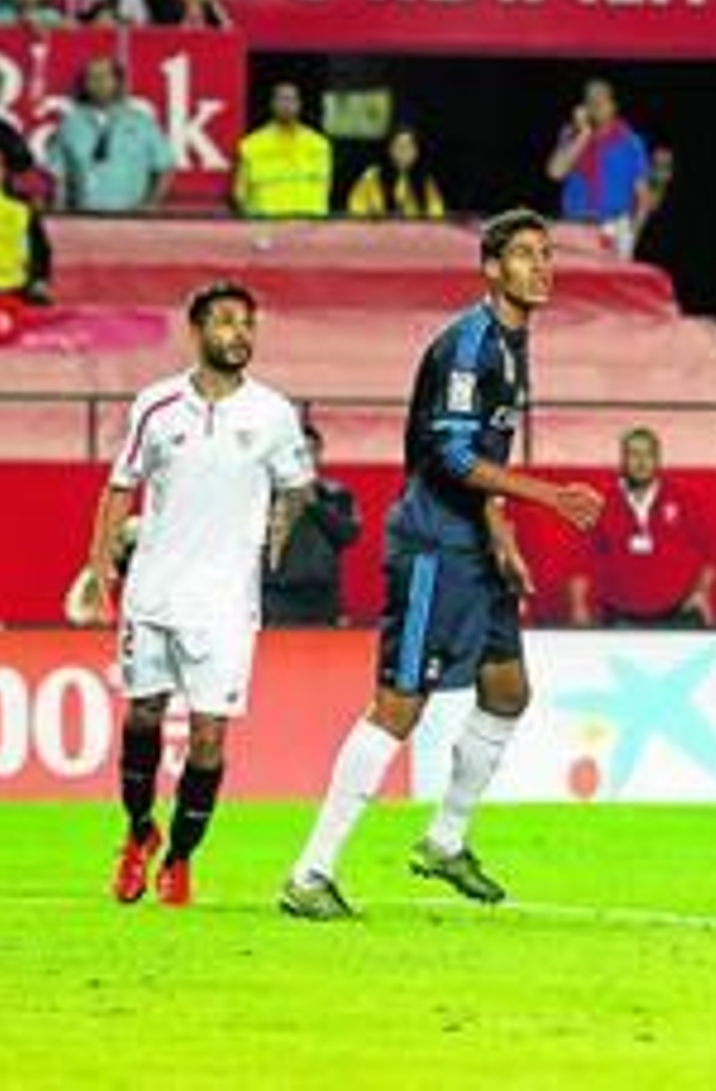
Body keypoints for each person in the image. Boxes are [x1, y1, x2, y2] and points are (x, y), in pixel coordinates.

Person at [282, 211, 603, 920]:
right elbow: (452, 455)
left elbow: (484, 460)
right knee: (399, 707)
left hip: (473, 547)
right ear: (490, 268)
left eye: (547, 254)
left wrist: (502, 533)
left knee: (508, 689)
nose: (541, 266)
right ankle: (310, 872)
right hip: (431, 546)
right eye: (523, 255)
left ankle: (445, 840)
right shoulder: (470, 347)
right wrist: (549, 496)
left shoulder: (514, 345)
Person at [86, 281, 314, 907]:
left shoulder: (272, 413)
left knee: (210, 737)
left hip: (223, 605)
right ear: (196, 332)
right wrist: (100, 561)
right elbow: (120, 485)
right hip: (153, 592)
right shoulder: (156, 406)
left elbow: (298, 484)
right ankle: (138, 834)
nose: (239, 334)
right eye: (225, 322)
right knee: (142, 716)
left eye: (248, 323)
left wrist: (278, 534)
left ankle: (181, 858)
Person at [567, 427, 716, 627]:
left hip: (678, 614)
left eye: (648, 454)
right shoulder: (601, 502)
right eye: (634, 454)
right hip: (621, 616)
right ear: (623, 459)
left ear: (658, 459)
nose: (641, 462)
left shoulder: (684, 498)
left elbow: (710, 554)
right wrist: (578, 606)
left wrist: (702, 593)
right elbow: (580, 563)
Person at [261, 423, 361, 627]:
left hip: (323, 599)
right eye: (297, 453)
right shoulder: (263, 496)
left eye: (310, 452)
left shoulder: (336, 494)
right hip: (277, 599)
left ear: (319, 455)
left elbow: (348, 535)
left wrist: (314, 503)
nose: (304, 460)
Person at [49, 56, 175, 212]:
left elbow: (165, 168)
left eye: (105, 76)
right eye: (92, 77)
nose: (99, 82)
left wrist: (150, 206)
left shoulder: (142, 124)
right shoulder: (70, 125)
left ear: (118, 82)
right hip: (83, 219)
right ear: (84, 85)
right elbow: (59, 177)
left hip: (130, 219)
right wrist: (59, 214)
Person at [545, 78, 652, 258]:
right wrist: (583, 134)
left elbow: (643, 198)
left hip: (612, 228)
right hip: (574, 226)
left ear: (613, 105)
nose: (594, 106)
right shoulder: (572, 134)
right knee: (574, 284)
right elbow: (555, 173)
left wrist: (630, 236)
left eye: (600, 100)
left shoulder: (631, 142)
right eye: (589, 100)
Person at [233, 81, 333, 218]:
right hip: (267, 228)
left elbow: (326, 189)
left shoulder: (319, 144)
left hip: (308, 228)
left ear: (300, 105)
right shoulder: (251, 144)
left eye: (292, 99)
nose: (287, 105)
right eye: (281, 99)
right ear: (272, 104)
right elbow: (240, 195)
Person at [0, 141, 50, 304]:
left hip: (15, 293)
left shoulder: (22, 208)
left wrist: (39, 282)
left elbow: (40, 251)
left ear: (4, 171)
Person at [346, 126, 446, 220]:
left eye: (409, 147)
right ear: (389, 149)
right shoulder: (372, 177)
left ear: (417, 152)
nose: (403, 152)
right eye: (398, 146)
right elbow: (356, 212)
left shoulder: (425, 180)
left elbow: (436, 214)